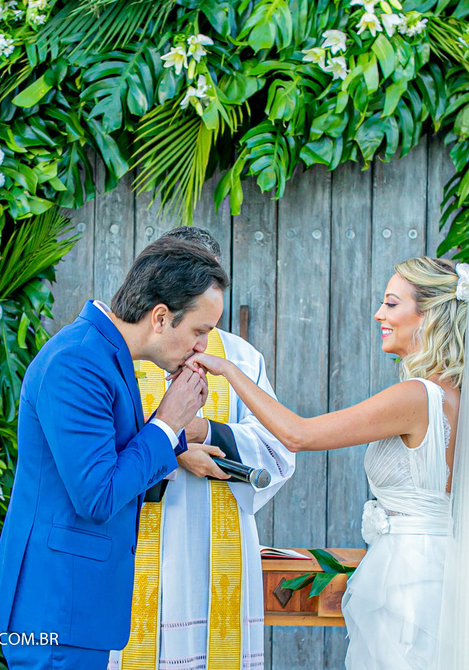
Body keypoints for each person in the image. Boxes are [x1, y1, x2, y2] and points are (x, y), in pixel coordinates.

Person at [186, 257, 469, 669]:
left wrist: (228, 369)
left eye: (391, 304)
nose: (379, 314)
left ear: (428, 317)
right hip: (443, 568)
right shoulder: (459, 395)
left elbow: (299, 435)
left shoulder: (416, 396)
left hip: (411, 575)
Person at [0, 238, 226, 670]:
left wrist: (173, 437)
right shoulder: (77, 361)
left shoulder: (107, 354)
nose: (203, 346)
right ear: (160, 316)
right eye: (199, 331)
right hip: (57, 607)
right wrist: (167, 423)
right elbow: (96, 497)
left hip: (77, 606)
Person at [112, 228, 295, 670]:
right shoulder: (131, 348)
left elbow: (278, 449)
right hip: (136, 535)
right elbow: (98, 452)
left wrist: (207, 432)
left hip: (211, 540)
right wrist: (172, 450)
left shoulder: (241, 357)